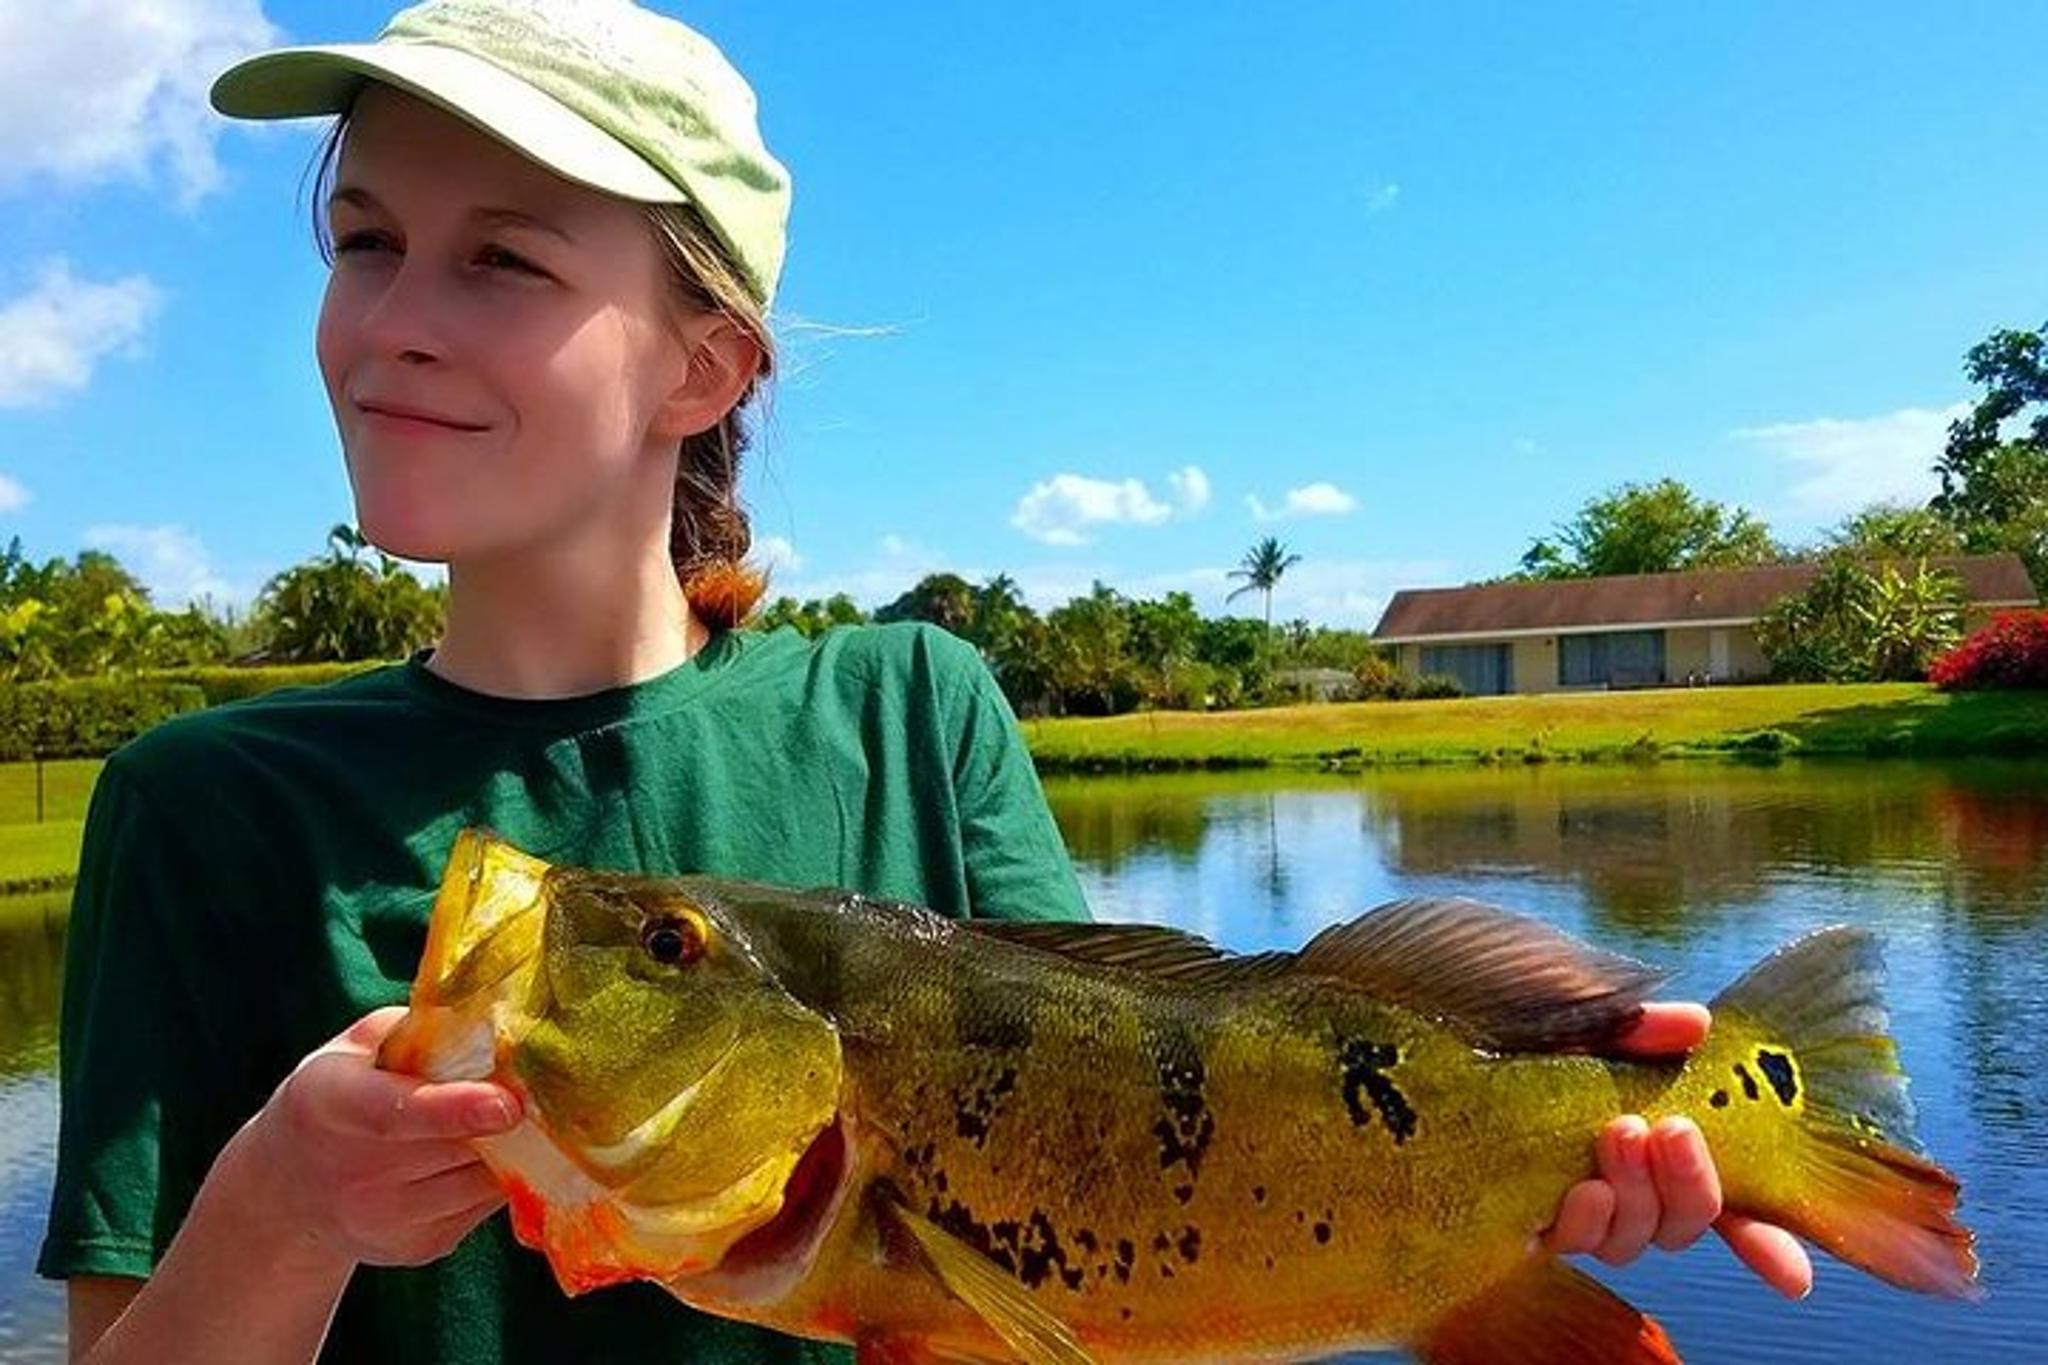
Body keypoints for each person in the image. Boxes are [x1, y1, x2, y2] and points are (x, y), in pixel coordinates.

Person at [38, 3, 1810, 1361]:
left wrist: (1494, 1189)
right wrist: (284, 1203)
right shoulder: (203, 805)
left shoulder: (912, 707)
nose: (393, 316)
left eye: (500, 256)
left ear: (702, 368)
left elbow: (1156, 1133)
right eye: (363, 240)